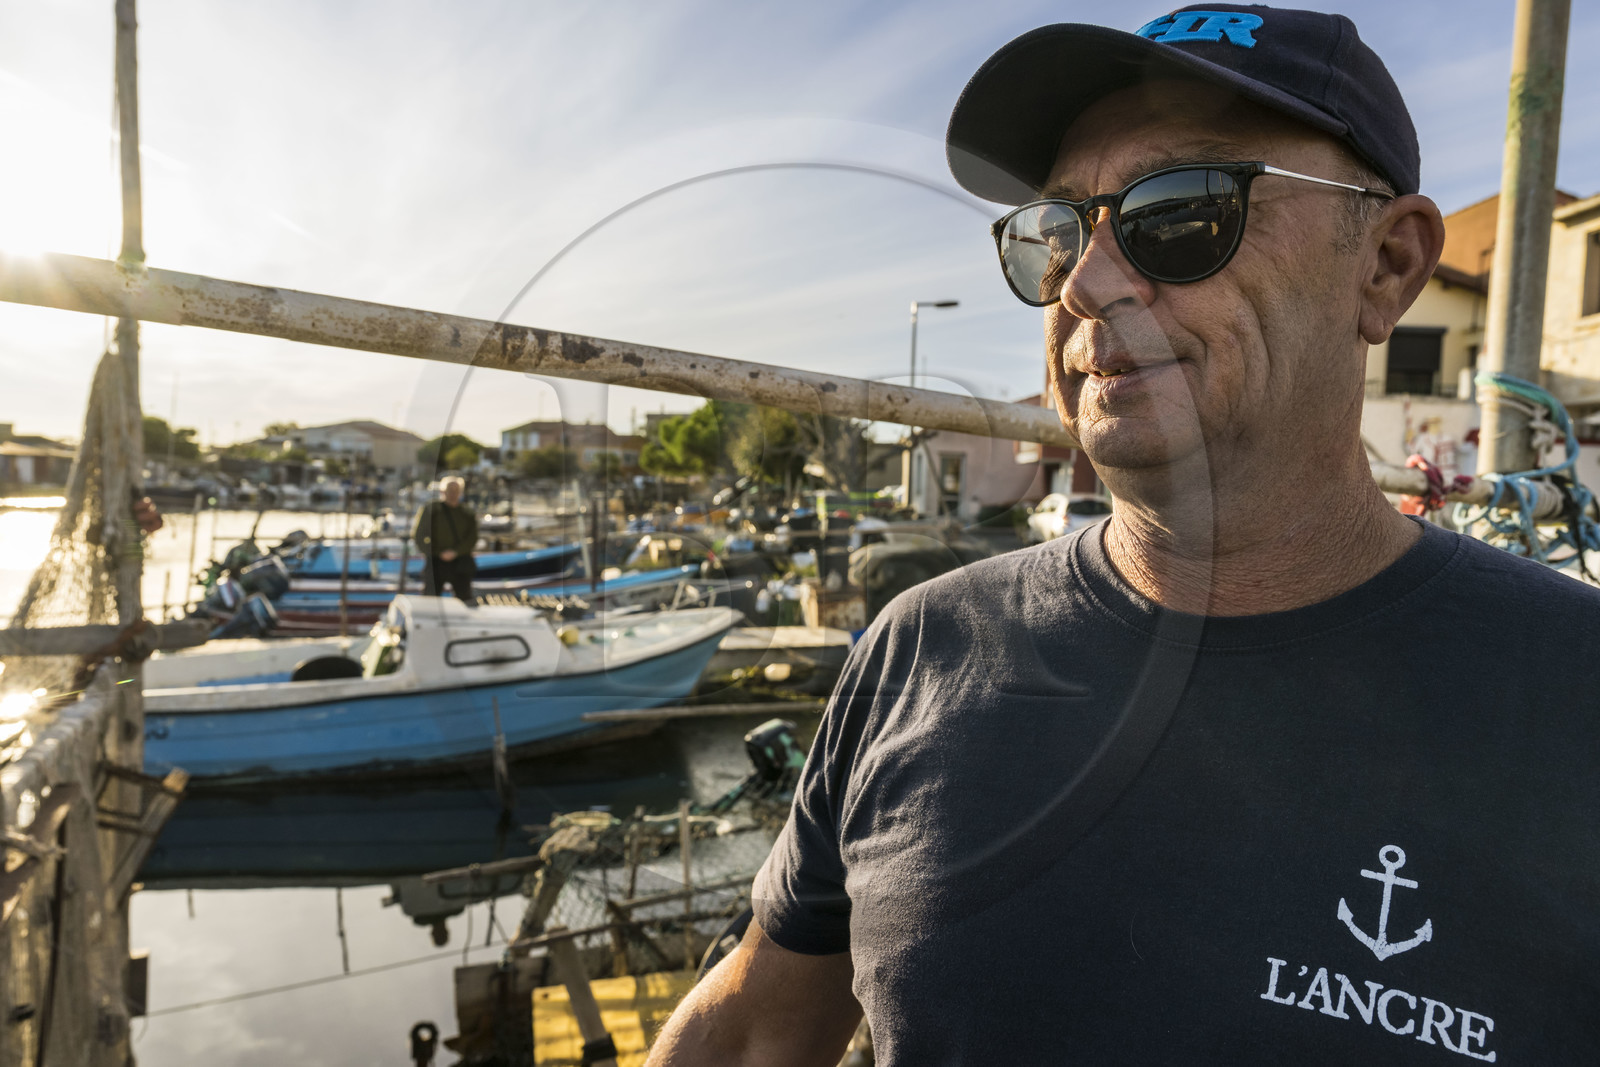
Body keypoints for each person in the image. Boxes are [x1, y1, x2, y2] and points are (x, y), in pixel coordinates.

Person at [646, 6, 1600, 1064]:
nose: (1088, 285)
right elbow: (752, 1034)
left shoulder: (1570, 692)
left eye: (1181, 211)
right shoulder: (921, 649)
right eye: (1055, 232)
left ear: (1386, 263)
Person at [411, 476, 478, 604]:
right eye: (449, 490)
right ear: (443, 491)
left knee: (465, 600)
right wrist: (435, 552)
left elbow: (472, 538)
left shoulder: (467, 513)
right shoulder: (432, 510)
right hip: (436, 561)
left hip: (461, 562)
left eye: (456, 491)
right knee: (430, 600)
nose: (453, 494)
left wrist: (456, 552)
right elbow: (419, 535)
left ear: (460, 493)